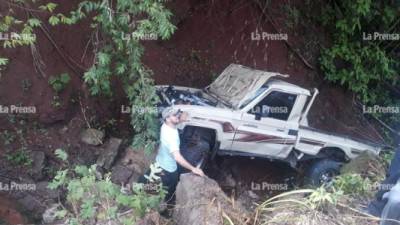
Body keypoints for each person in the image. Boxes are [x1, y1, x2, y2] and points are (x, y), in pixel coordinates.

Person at [139, 107, 205, 204]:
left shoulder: (165, 126)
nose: (178, 116)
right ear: (167, 118)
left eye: (178, 114)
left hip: (158, 163)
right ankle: (165, 208)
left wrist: (182, 118)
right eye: (175, 115)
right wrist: (193, 169)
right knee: (164, 192)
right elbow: (177, 157)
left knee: (145, 183)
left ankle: (141, 194)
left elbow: (178, 118)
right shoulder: (171, 136)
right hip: (168, 171)